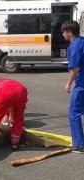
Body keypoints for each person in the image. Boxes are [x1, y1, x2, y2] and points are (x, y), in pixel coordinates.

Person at [61, 20, 84, 153]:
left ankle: (79, 144)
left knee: (74, 113)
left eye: (64, 32)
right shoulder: (82, 40)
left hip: (82, 84)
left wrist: (68, 84)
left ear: (69, 32)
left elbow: (75, 68)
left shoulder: (74, 46)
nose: (63, 35)